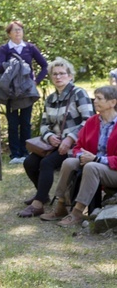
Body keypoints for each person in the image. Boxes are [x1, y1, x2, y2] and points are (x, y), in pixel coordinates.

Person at [18, 57, 92, 217]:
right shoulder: (51, 99)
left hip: (74, 146)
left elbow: (89, 121)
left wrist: (70, 138)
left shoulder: (79, 94)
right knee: (29, 162)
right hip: (53, 144)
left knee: (46, 163)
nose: (58, 77)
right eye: (55, 74)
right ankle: (42, 195)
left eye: (62, 73)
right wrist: (50, 135)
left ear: (70, 76)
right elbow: (44, 125)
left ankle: (37, 205)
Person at [40, 85, 117, 226]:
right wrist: (81, 155)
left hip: (112, 170)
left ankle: (77, 212)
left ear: (112, 102)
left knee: (92, 167)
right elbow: (78, 146)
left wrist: (96, 159)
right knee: (69, 162)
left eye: (99, 99)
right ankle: (61, 205)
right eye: (95, 98)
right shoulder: (92, 121)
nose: (94, 101)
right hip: (93, 162)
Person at [0, 20, 48, 164]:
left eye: (20, 29)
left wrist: (35, 81)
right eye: (15, 30)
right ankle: (15, 154)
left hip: (27, 91)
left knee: (25, 122)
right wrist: (14, 65)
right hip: (11, 91)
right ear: (9, 34)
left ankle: (26, 153)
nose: (18, 32)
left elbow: (44, 65)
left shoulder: (30, 48)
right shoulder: (4, 49)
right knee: (12, 123)